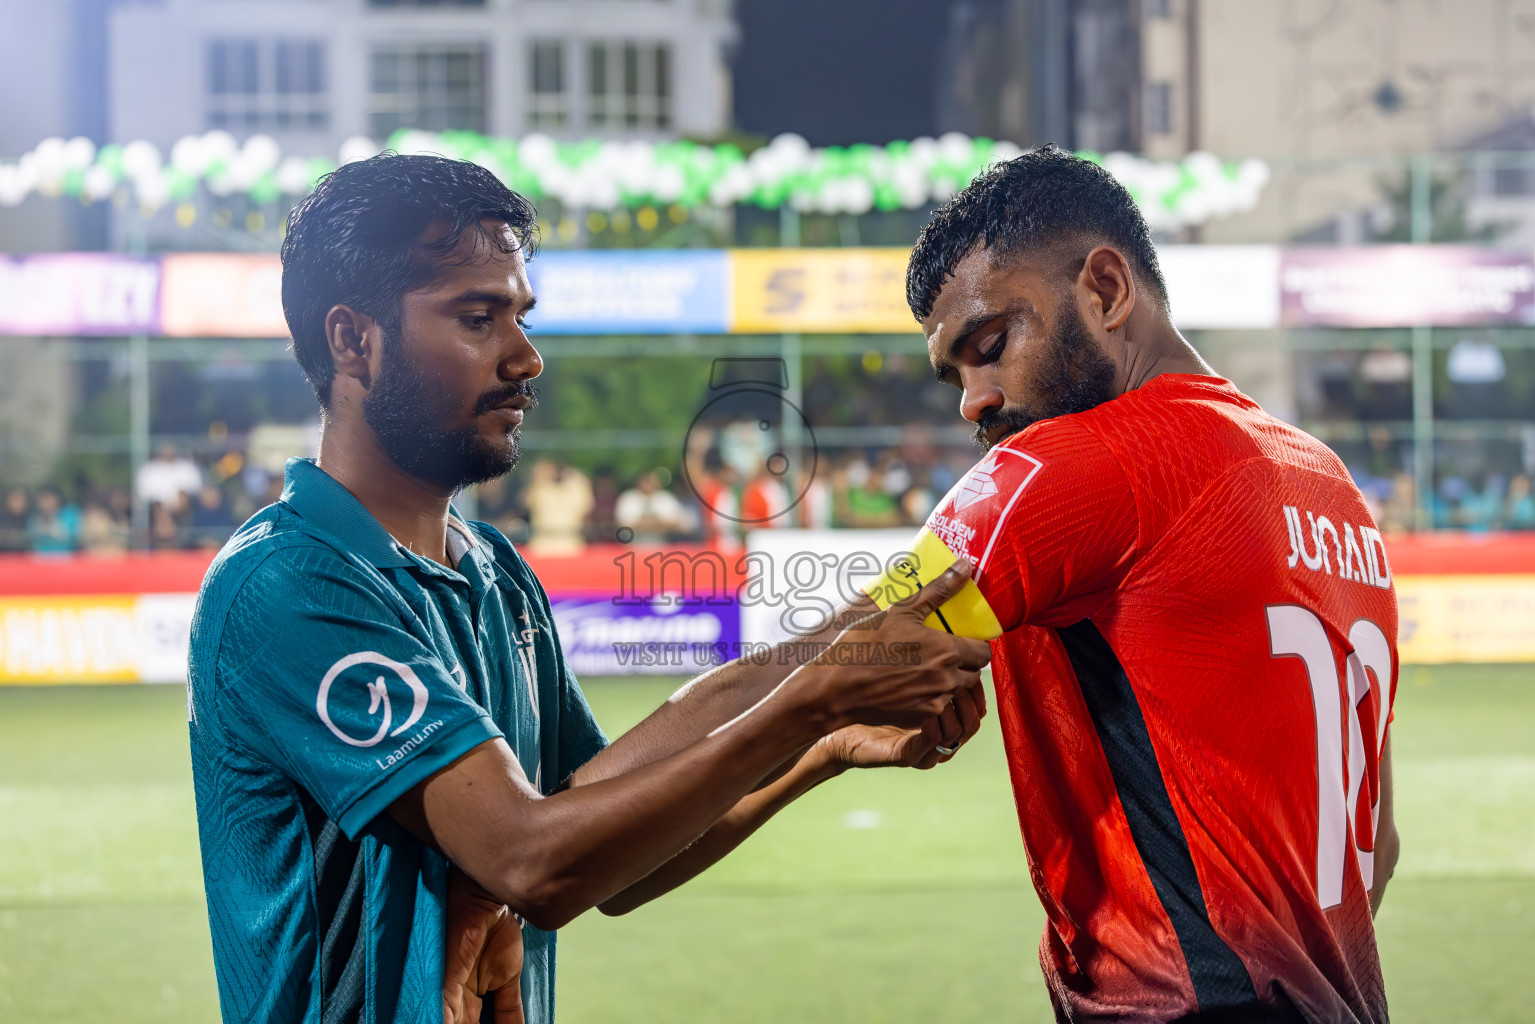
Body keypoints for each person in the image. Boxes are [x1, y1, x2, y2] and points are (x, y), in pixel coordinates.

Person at [188, 153, 990, 1024]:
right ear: (353, 340)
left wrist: (826, 725)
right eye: (476, 318)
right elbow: (532, 860)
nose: (525, 357)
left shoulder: (494, 569)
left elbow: (606, 845)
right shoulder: (289, 583)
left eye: (520, 318)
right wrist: (811, 700)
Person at [872, 146, 1400, 1023]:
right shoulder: (1330, 486)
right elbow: (1376, 846)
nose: (972, 399)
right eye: (955, 373)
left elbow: (846, 657)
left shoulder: (1077, 461)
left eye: (990, 346)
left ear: (1106, 289)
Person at [614, 469, 691, 544]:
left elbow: (682, 523)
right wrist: (657, 524)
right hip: (633, 544)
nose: (648, 485)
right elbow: (623, 525)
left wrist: (647, 524)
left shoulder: (666, 497)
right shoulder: (628, 497)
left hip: (663, 545)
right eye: (645, 481)